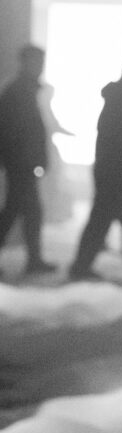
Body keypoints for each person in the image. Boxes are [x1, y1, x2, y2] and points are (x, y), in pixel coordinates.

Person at [68, 61, 122, 281]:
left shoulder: (120, 100)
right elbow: (121, 142)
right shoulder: (121, 102)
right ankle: (81, 267)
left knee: (107, 221)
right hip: (115, 173)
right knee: (103, 220)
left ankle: (82, 266)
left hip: (113, 171)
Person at [0, 44, 56, 276]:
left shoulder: (22, 91)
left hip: (22, 163)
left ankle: (34, 260)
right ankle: (34, 260)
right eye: (36, 62)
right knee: (22, 212)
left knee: (19, 211)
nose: (39, 67)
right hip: (21, 164)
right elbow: (16, 132)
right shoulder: (18, 92)